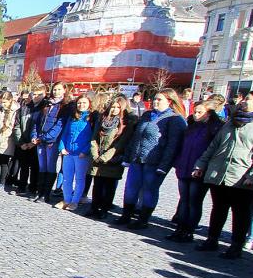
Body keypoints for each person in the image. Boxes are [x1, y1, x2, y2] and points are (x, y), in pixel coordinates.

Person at [194, 90, 253, 258]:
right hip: (219, 173)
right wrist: (201, 164)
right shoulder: (231, 121)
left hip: (244, 177)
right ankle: (212, 239)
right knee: (218, 208)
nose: (243, 102)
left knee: (241, 212)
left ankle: (236, 245)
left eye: (248, 99)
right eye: (244, 99)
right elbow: (214, 146)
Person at [116, 89, 188, 229]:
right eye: (155, 99)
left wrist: (164, 165)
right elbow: (136, 136)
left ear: (169, 101)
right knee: (131, 188)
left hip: (155, 162)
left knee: (150, 190)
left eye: (159, 99)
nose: (155, 101)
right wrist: (128, 156)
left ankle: (143, 219)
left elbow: (173, 145)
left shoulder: (175, 119)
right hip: (137, 159)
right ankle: (126, 215)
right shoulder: (147, 115)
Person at [167, 100, 224, 242]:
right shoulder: (191, 126)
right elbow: (182, 146)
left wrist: (201, 167)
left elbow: (212, 152)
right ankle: (180, 228)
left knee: (194, 202)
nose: (195, 115)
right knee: (184, 200)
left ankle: (188, 230)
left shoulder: (215, 129)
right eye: (195, 111)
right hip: (184, 168)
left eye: (200, 112)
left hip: (199, 171)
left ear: (209, 113)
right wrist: (178, 162)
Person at [87, 95, 136, 220]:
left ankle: (104, 209)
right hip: (98, 157)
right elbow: (94, 138)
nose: (114, 109)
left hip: (113, 159)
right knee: (97, 185)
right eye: (112, 107)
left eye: (117, 107)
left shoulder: (126, 124)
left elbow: (120, 144)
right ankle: (94, 207)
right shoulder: (102, 119)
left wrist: (105, 157)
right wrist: (96, 154)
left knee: (109, 186)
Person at [30, 82, 68, 202]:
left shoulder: (64, 106)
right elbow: (37, 122)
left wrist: (44, 138)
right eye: (55, 89)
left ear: (64, 91)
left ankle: (46, 194)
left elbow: (58, 126)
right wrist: (34, 135)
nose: (56, 92)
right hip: (40, 141)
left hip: (52, 141)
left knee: (50, 167)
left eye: (59, 89)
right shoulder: (46, 104)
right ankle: (39, 192)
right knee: (42, 167)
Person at [57, 94, 96, 210]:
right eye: (79, 103)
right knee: (67, 178)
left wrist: (85, 151)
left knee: (79, 179)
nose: (81, 105)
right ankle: (66, 199)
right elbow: (65, 134)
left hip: (81, 154)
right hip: (68, 152)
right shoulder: (72, 117)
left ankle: (75, 201)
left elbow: (92, 137)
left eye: (84, 103)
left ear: (89, 104)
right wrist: (62, 147)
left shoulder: (91, 118)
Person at [11, 86, 43, 195]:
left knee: (35, 167)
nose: (35, 96)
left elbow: (42, 127)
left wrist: (34, 142)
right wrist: (21, 143)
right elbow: (17, 126)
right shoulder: (24, 108)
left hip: (37, 143)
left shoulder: (45, 108)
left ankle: (33, 188)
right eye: (34, 94)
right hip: (24, 141)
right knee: (23, 166)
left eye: (39, 94)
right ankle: (21, 187)